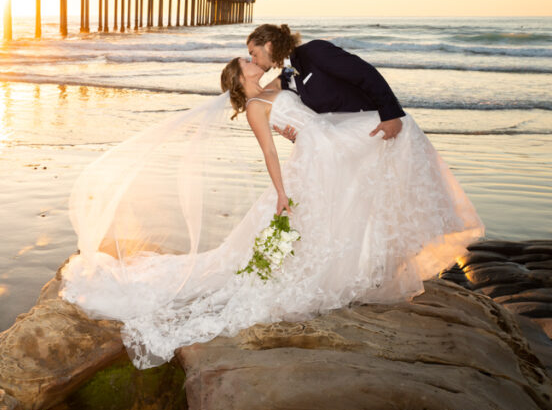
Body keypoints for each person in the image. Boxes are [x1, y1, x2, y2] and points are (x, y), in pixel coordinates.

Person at [59, 45, 483, 370]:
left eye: (253, 57)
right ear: (240, 78)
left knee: (385, 157)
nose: (255, 62)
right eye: (248, 63)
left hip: (325, 148)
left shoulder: (278, 86)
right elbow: (269, 153)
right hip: (318, 158)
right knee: (362, 180)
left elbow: (308, 110)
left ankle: (377, 259)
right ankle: (366, 262)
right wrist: (281, 192)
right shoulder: (256, 108)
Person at [246, 23, 404, 142]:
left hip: (376, 128)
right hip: (348, 141)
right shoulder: (288, 75)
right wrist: (295, 135)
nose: (253, 60)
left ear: (268, 46)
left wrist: (390, 115)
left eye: (254, 54)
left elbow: (365, 73)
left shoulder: (314, 52)